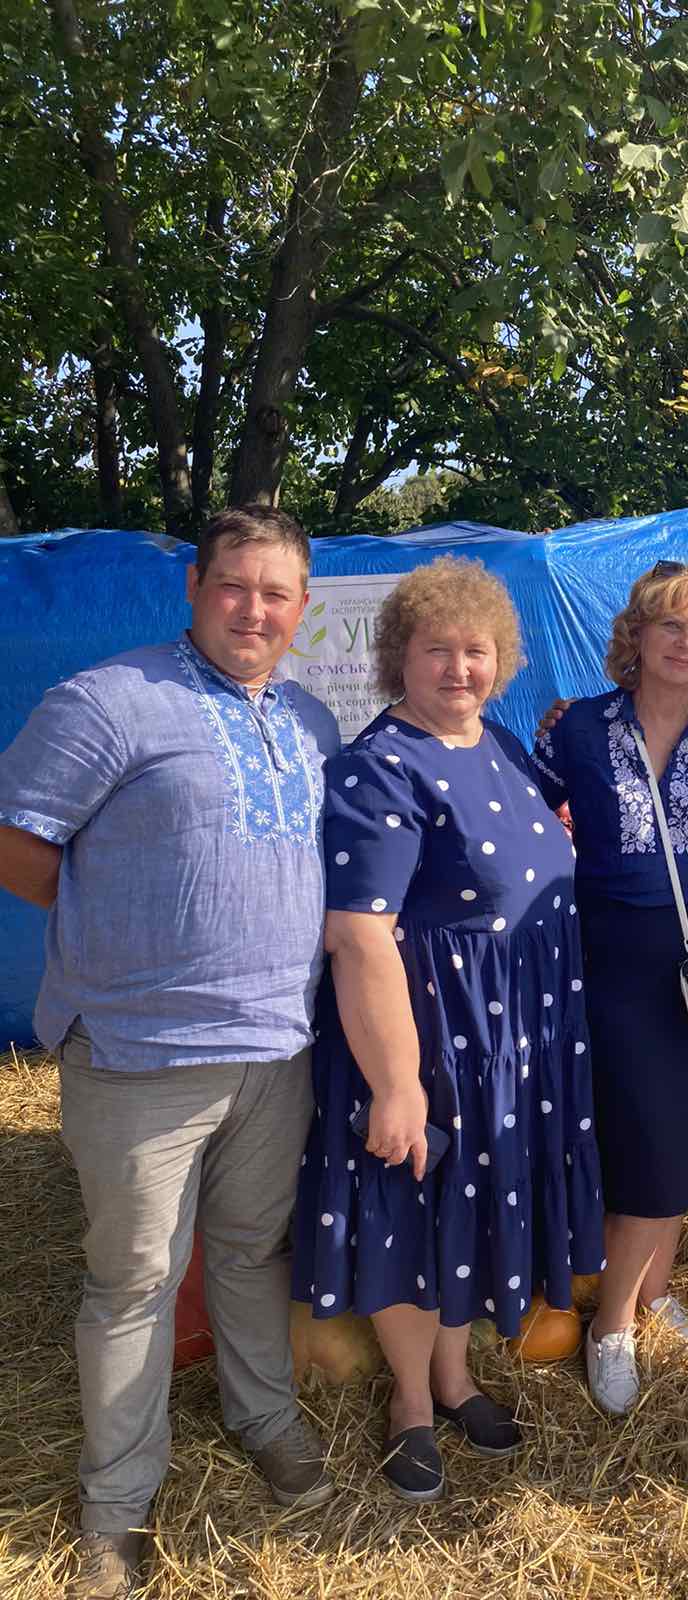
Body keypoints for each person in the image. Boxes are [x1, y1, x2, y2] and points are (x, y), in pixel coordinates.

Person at [0, 507, 341, 1600]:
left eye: (276, 592)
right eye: (235, 584)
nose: (254, 609)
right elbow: (18, 842)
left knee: (249, 1252)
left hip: (277, 1046)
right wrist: (119, 937)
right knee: (135, 1279)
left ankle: (264, 1418)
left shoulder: (310, 720)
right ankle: (116, 1501)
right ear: (194, 586)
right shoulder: (107, 700)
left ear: (302, 608)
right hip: (138, 1055)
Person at [291, 555, 605, 1502]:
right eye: (437, 651)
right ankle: (411, 1405)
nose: (458, 669)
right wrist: (397, 1083)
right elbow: (357, 934)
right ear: (400, 657)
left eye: (476, 650)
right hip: (429, 1037)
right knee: (414, 1207)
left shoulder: (500, 742)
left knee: (467, 1206)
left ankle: (456, 1378)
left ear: (501, 659)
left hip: (514, 1037)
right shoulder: (379, 766)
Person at [531, 560, 688, 1416]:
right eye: (671, 625)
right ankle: (612, 1326)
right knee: (645, 1140)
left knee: (687, 1134)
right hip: (616, 957)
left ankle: (656, 1294)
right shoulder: (579, 728)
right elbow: (521, 817)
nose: (686, 643)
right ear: (637, 632)